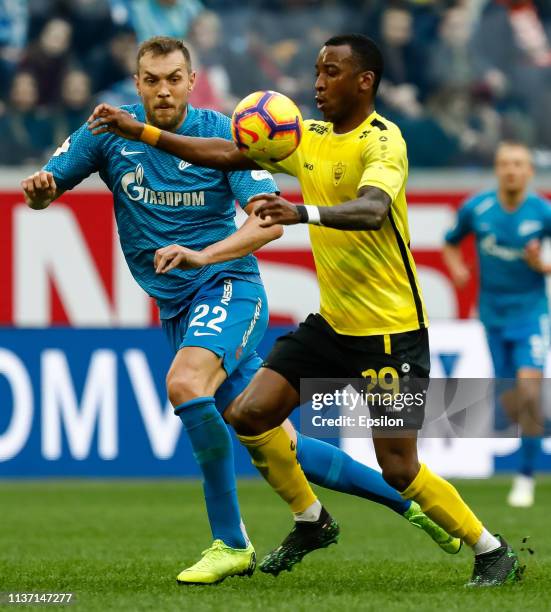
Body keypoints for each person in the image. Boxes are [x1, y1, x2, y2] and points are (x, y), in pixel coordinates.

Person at [86, 33, 520, 587]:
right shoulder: (307, 136)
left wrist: (300, 212)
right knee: (248, 414)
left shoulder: (383, 142)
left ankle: (490, 548)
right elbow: (225, 154)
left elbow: (369, 210)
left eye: (332, 71)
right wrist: (142, 131)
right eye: (317, 70)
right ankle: (311, 520)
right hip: (333, 324)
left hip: (391, 333)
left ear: (364, 81)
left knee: (400, 467)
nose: (318, 82)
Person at [443, 141, 550, 508]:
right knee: (513, 402)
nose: (511, 170)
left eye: (518, 164)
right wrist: (457, 268)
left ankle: (525, 476)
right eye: (505, 163)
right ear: (497, 168)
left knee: (529, 391)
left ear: (529, 171)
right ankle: (533, 436)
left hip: (531, 313)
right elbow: (451, 243)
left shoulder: (542, 211)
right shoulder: (477, 208)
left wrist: (543, 266)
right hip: (492, 314)